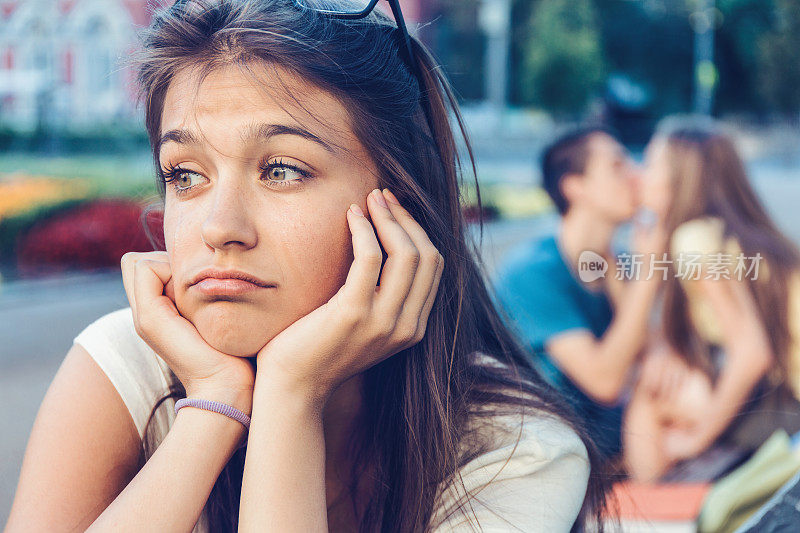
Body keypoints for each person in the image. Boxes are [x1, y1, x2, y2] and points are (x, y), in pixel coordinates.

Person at [5, 1, 611, 531]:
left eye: (282, 170)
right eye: (185, 175)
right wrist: (215, 407)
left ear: (400, 205)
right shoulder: (124, 365)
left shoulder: (514, 448)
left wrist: (293, 395)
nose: (220, 227)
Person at [623, 116, 800, 482]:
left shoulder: (694, 241)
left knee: (652, 393)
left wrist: (697, 439)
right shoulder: (731, 234)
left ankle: (654, 509)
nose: (642, 173)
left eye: (653, 162)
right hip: (784, 397)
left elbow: (753, 353)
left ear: (682, 174)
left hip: (791, 409)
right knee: (669, 380)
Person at [492, 125, 667, 463]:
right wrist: (648, 272)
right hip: (544, 454)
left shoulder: (617, 262)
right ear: (575, 187)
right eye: (618, 166)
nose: (636, 175)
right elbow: (606, 382)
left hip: (606, 440)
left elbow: (652, 357)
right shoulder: (531, 273)